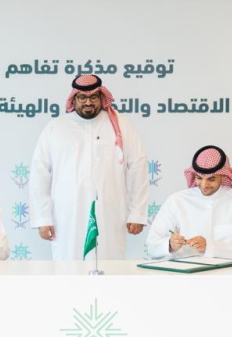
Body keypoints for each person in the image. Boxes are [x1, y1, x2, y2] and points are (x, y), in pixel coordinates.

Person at [29, 74, 149, 260]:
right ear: (74, 98)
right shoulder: (56, 127)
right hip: (67, 215)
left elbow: (138, 168)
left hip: (109, 212)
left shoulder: (121, 126)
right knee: (68, 264)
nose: (88, 102)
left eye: (93, 97)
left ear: (101, 97)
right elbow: (39, 174)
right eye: (82, 98)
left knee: (109, 263)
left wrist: (137, 214)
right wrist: (43, 218)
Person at [146, 145, 232, 260]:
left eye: (211, 179)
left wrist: (210, 247)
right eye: (199, 178)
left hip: (228, 270)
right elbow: (151, 247)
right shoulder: (177, 200)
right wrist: (169, 245)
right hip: (186, 270)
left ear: (223, 176)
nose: (204, 185)